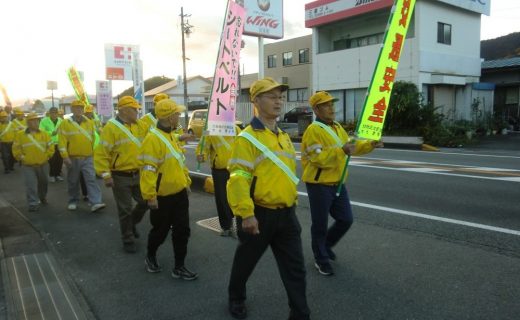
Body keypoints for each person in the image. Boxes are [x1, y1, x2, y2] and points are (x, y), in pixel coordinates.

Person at [226, 77, 310, 320]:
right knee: (246, 261)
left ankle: (300, 313)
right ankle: (236, 297)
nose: (278, 101)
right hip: (259, 215)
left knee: (295, 268)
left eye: (280, 97)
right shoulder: (247, 138)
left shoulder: (282, 136)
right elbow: (238, 178)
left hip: (287, 214)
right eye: (272, 96)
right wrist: (246, 213)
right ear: (256, 100)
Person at [301, 91, 383, 276]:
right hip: (319, 184)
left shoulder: (337, 127)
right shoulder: (313, 130)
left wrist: (370, 144)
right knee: (320, 224)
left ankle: (326, 246)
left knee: (346, 219)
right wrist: (342, 151)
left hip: (338, 183)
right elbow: (318, 158)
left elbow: (351, 147)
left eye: (332, 104)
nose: (331, 107)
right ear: (316, 109)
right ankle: (320, 258)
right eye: (326, 105)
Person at [139, 98, 197, 280]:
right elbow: (148, 169)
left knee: (182, 230)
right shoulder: (152, 139)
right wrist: (150, 196)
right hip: (161, 196)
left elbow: (179, 162)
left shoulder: (171, 135)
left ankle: (179, 266)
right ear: (169, 116)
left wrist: (186, 182)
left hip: (179, 194)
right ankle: (150, 255)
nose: (179, 116)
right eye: (177, 114)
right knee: (160, 231)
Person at [95, 96, 148, 253]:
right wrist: (106, 175)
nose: (137, 112)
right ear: (124, 110)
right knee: (124, 209)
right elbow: (101, 153)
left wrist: (178, 136)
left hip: (139, 173)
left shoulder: (141, 125)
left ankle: (131, 224)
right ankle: (128, 238)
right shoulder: (110, 128)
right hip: (120, 176)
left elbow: (157, 136)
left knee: (146, 202)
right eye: (134, 109)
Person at [58, 100, 106, 212]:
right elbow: (62, 141)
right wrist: (65, 156)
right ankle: (73, 200)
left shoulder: (89, 122)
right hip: (72, 157)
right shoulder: (65, 123)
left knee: (91, 179)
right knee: (73, 180)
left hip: (88, 157)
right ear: (72, 109)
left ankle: (96, 202)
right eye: (76, 108)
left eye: (80, 108)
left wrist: (93, 152)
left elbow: (93, 138)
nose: (79, 110)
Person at [196, 123, 242, 237]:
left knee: (239, 197)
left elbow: (243, 145)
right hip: (219, 170)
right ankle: (226, 226)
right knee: (222, 199)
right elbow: (203, 146)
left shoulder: (235, 128)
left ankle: (240, 225)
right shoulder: (209, 130)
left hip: (236, 168)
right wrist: (201, 155)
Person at [12, 112, 53, 211]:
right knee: (31, 185)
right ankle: (33, 203)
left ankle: (42, 197)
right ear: (28, 123)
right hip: (28, 166)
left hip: (43, 164)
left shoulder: (45, 134)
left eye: (37, 120)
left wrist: (47, 155)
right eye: (33, 121)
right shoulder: (20, 135)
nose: (36, 122)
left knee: (44, 183)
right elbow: (16, 149)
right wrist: (22, 158)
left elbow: (51, 146)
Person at [39, 107, 64, 182]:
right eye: (52, 113)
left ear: (57, 113)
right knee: (52, 160)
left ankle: (58, 174)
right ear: (49, 113)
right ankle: (52, 175)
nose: (54, 114)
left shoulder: (61, 121)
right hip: (50, 144)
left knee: (60, 160)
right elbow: (41, 131)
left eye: (55, 113)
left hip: (60, 143)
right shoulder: (44, 121)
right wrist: (51, 133)